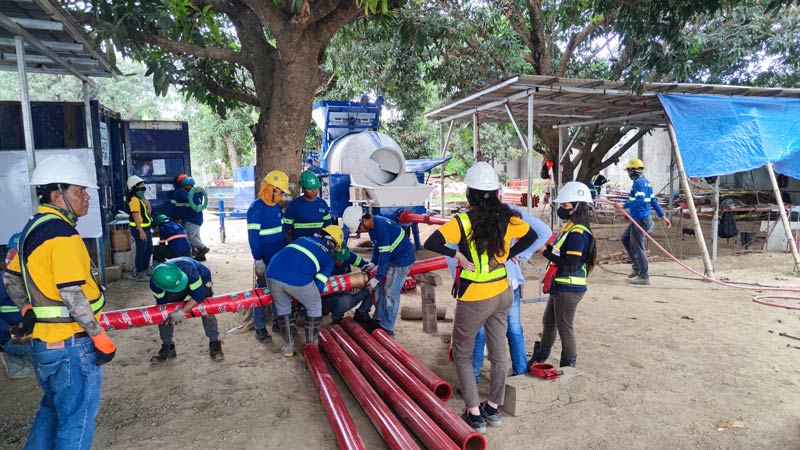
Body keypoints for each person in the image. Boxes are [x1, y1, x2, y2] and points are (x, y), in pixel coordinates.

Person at [3, 154, 116, 450]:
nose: (86, 197)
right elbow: (71, 292)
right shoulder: (63, 235)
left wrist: (27, 310)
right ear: (57, 195)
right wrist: (99, 336)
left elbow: (11, 278)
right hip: (72, 345)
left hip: (45, 345)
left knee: (51, 411)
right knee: (77, 421)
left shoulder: (30, 229)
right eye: (79, 191)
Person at [423, 161, 536, 434]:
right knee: (499, 353)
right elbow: (531, 235)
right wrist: (508, 254)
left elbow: (431, 243)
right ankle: (493, 408)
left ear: (469, 194)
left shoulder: (461, 222)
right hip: (503, 293)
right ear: (496, 193)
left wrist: (457, 254)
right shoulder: (509, 218)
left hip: (475, 298)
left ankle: (474, 414)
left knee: (462, 353)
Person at [470, 205, 552, 380]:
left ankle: (474, 376)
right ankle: (520, 373)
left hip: (484, 286)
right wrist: (519, 253)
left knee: (480, 331)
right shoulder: (509, 212)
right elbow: (543, 232)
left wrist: (519, 253)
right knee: (514, 329)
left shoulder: (471, 218)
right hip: (510, 283)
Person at [528, 181, 596, 369]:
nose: (561, 209)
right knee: (548, 323)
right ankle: (539, 359)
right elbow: (561, 254)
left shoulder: (578, 233)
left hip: (569, 288)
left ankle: (568, 368)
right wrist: (548, 248)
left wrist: (545, 252)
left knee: (565, 328)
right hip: (560, 285)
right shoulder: (569, 229)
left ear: (577, 207)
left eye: (565, 206)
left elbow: (571, 263)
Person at [265, 225, 344, 357]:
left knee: (283, 308)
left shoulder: (303, 238)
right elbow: (318, 286)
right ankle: (311, 345)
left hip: (272, 273)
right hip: (296, 279)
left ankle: (288, 347)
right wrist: (305, 298)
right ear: (333, 244)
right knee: (314, 305)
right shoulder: (329, 258)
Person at [342, 206, 415, 336]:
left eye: (359, 228)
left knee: (391, 294)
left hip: (401, 261)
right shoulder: (373, 227)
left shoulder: (380, 227)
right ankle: (378, 320)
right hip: (392, 258)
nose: (360, 230)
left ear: (364, 220)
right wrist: (372, 262)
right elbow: (377, 247)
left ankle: (387, 327)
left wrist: (377, 277)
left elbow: (385, 255)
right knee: (380, 290)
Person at [149, 257, 224, 363]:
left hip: (197, 278)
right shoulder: (156, 284)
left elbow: (199, 296)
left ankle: (215, 343)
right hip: (174, 285)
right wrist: (172, 315)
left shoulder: (188, 267)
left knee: (207, 310)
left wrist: (181, 312)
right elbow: (163, 306)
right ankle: (168, 346)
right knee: (165, 315)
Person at [609, 158, 672, 285]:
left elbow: (641, 201)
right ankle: (637, 268)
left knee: (638, 247)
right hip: (639, 218)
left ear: (633, 170)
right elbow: (653, 201)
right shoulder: (646, 183)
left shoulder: (638, 183)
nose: (628, 173)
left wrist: (623, 205)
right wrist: (662, 216)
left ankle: (644, 276)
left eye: (629, 170)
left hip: (641, 219)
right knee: (625, 239)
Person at [247, 170, 290, 344]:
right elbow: (253, 237)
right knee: (262, 292)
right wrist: (258, 261)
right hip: (264, 260)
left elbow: (279, 233)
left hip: (278, 258)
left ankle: (277, 321)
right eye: (280, 191)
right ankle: (259, 327)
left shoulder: (275, 207)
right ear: (271, 188)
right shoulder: (256, 208)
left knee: (278, 290)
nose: (282, 195)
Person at [1, 233, 33, 378]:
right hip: (8, 335)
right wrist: (9, 329)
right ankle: (14, 358)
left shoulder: (35, 279)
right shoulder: (2, 281)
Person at [322, 245, 374, 325]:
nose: (341, 261)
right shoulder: (324, 262)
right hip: (328, 297)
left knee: (371, 286)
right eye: (338, 259)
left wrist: (357, 284)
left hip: (347, 291)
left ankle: (362, 313)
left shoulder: (348, 255)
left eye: (344, 258)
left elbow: (365, 266)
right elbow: (323, 288)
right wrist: (346, 288)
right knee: (345, 300)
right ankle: (336, 319)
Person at [170, 175, 210, 261]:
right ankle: (201, 255)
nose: (190, 187)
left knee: (189, 236)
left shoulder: (190, 193)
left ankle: (203, 248)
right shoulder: (192, 193)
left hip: (193, 219)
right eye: (189, 185)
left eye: (191, 186)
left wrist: (176, 218)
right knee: (196, 236)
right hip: (195, 218)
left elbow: (179, 207)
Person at [284, 171, 332, 242]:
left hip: (318, 244)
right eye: (310, 189)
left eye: (316, 188)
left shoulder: (322, 204)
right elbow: (288, 228)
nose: (314, 191)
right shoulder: (294, 205)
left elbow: (328, 225)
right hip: (300, 244)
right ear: (303, 189)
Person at [127, 175, 153, 281]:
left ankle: (145, 269)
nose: (143, 186)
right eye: (141, 184)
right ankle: (139, 272)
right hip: (139, 229)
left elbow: (147, 214)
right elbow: (135, 215)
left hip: (146, 228)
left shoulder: (141, 199)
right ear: (135, 186)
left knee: (149, 249)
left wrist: (148, 205)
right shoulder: (134, 200)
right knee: (141, 250)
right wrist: (141, 231)